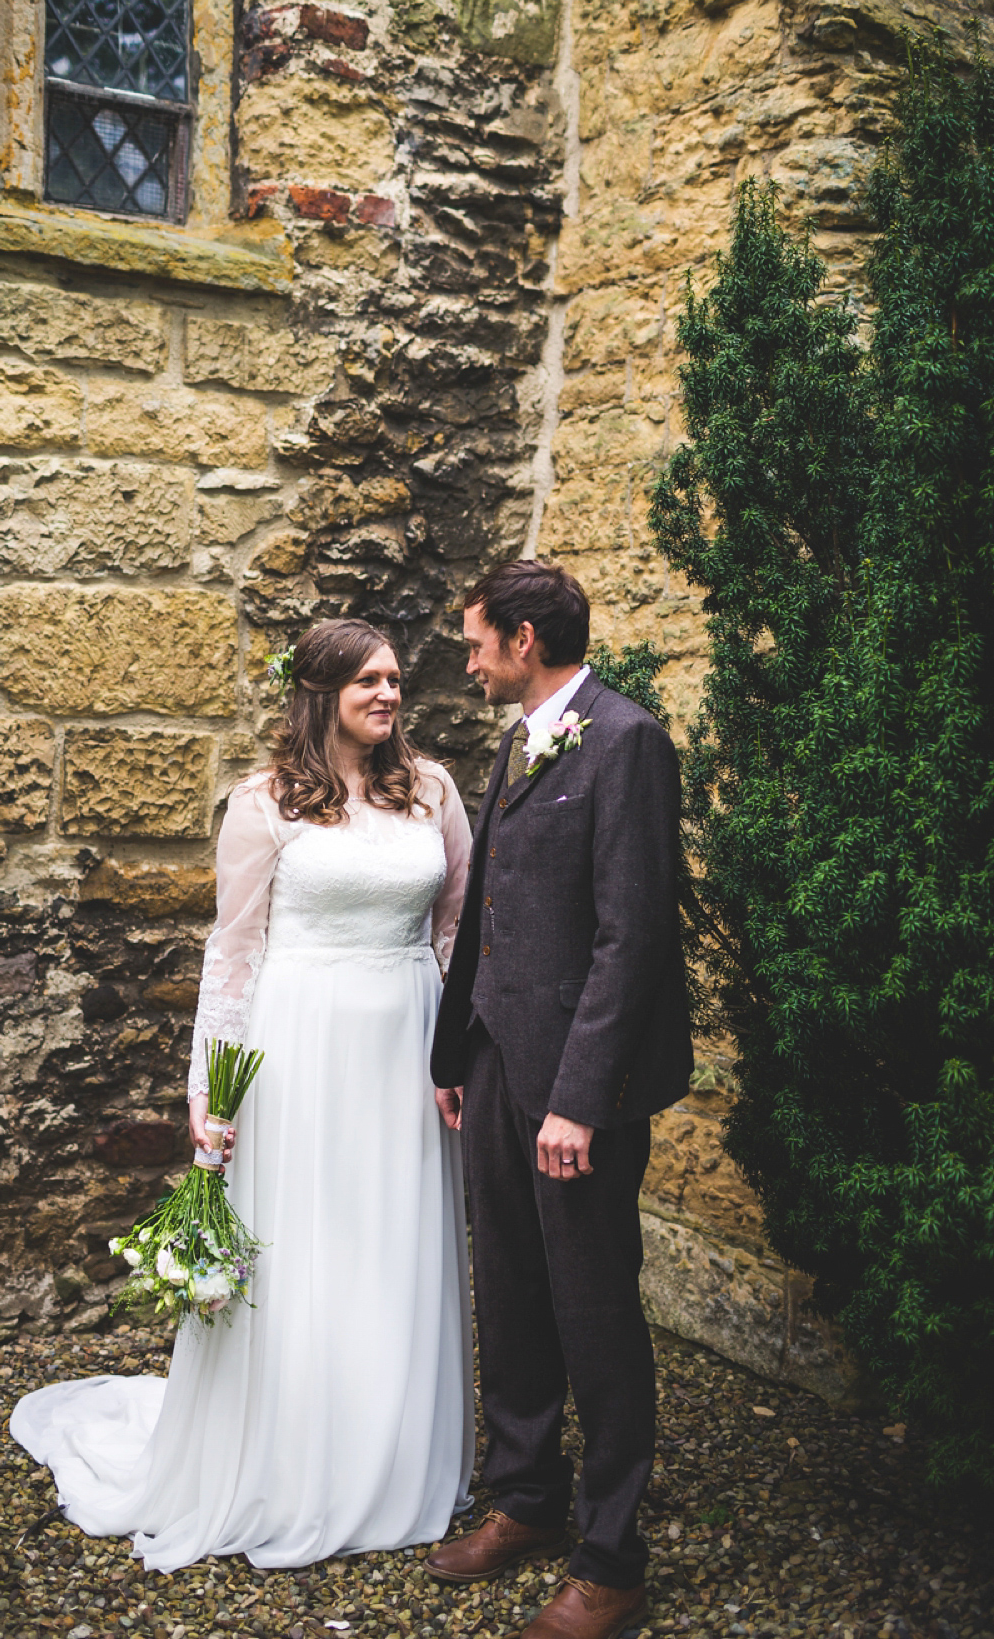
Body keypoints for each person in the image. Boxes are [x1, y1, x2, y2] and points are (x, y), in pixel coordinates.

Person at [11, 618, 475, 1569]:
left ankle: (390, 1454)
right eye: (368, 682)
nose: (389, 695)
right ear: (321, 694)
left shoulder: (431, 789)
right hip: (298, 1043)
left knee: (395, 1240)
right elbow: (233, 952)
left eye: (394, 680)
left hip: (408, 1037)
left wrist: (457, 1052)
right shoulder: (265, 802)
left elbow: (457, 929)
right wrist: (209, 1090)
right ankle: (291, 1460)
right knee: (306, 1244)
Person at [426, 561, 692, 1639]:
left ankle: (611, 1558)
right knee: (514, 1293)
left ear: (526, 639)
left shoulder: (626, 740)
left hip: (578, 1091)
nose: (471, 659)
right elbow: (492, 912)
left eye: (480, 641)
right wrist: (457, 1054)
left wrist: (579, 1101)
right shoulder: (519, 738)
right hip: (495, 1064)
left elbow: (633, 941)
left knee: (593, 1310)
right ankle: (527, 1499)